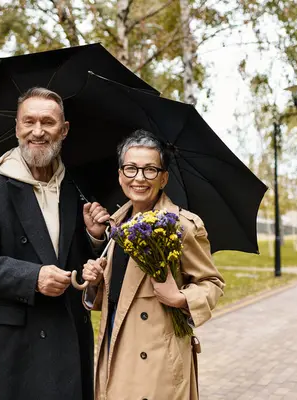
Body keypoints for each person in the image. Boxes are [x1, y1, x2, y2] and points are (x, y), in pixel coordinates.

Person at [0, 87, 109, 400]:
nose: (37, 131)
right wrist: (33, 277)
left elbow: (76, 263)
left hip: (70, 334)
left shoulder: (75, 188)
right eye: (29, 122)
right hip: (17, 342)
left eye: (48, 123)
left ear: (63, 130)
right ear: (17, 127)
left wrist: (93, 237)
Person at [82, 130, 225, 400]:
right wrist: (95, 279)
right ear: (120, 174)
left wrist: (180, 297)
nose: (139, 178)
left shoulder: (181, 225)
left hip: (158, 363)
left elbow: (213, 284)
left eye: (150, 170)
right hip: (115, 352)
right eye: (131, 168)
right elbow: (116, 300)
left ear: (163, 178)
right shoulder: (115, 226)